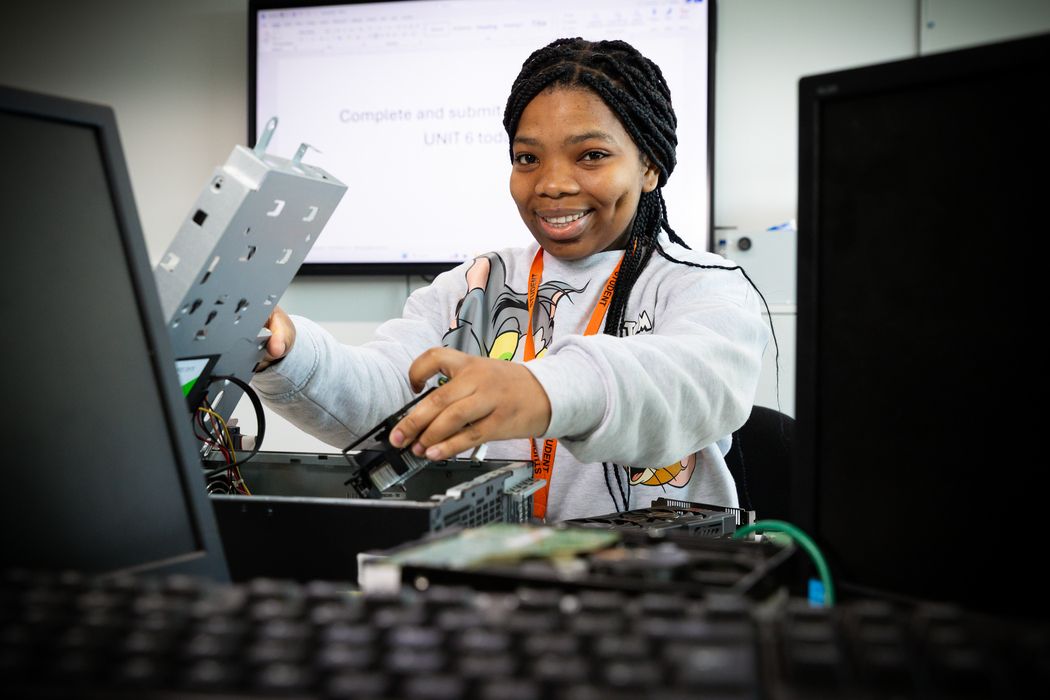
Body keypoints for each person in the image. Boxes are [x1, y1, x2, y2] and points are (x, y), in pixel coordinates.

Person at [253, 38, 770, 521]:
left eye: (591, 155)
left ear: (650, 167)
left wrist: (537, 389)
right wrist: (288, 352)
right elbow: (391, 396)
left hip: (648, 576)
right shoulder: (477, 283)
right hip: (497, 569)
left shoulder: (705, 286)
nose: (552, 183)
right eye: (528, 158)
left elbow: (684, 385)